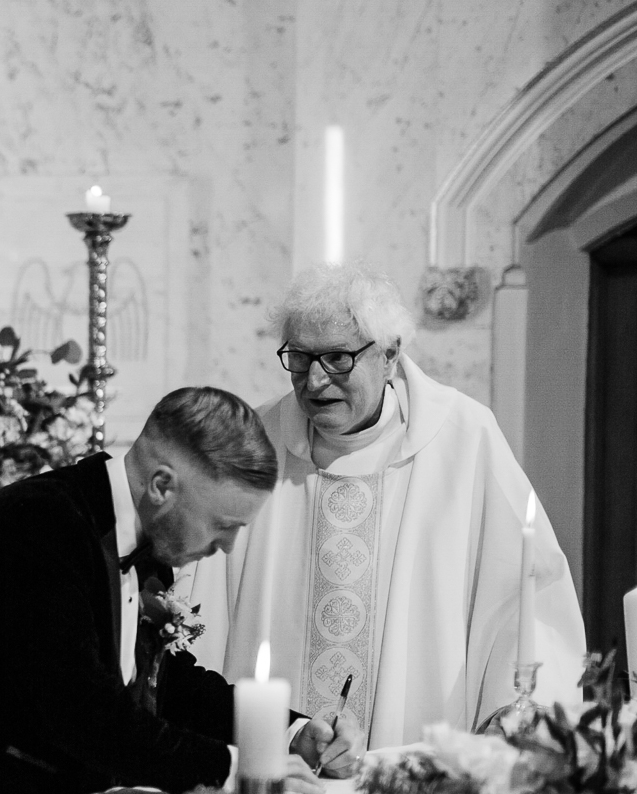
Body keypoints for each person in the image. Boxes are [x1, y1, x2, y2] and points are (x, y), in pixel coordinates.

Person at [0, 387, 333, 794]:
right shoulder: (37, 524)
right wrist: (236, 768)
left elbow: (167, 686)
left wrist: (288, 734)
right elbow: (81, 710)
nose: (228, 547)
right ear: (161, 486)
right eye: (222, 524)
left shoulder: (145, 542)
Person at [190, 264, 588, 745]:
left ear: (391, 354)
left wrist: (517, 714)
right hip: (278, 761)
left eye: (337, 358)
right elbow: (201, 595)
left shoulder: (463, 439)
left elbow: (527, 594)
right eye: (299, 358)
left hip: (411, 757)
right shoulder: (258, 443)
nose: (314, 381)